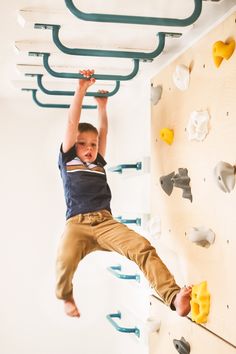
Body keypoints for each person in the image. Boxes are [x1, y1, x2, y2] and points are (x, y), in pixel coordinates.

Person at [56, 69, 192, 318]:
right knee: (65, 259)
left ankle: (173, 298)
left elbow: (103, 132)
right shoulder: (67, 159)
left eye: (93, 145)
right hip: (77, 224)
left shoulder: (98, 162)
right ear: (73, 145)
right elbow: (72, 123)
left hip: (105, 223)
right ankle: (66, 297)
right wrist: (81, 90)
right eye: (82, 144)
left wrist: (102, 107)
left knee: (142, 248)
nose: (89, 149)